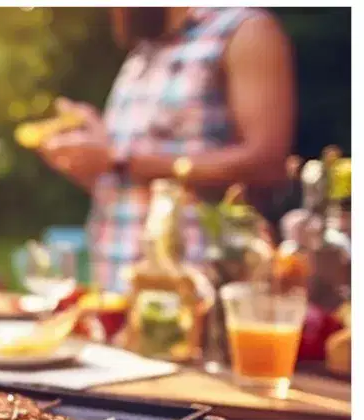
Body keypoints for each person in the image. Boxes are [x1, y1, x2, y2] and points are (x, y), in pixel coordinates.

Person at [37, 7, 296, 293]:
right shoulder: (142, 53)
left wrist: (118, 159)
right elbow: (125, 182)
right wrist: (88, 158)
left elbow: (266, 163)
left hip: (200, 293)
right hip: (117, 287)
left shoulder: (243, 31)